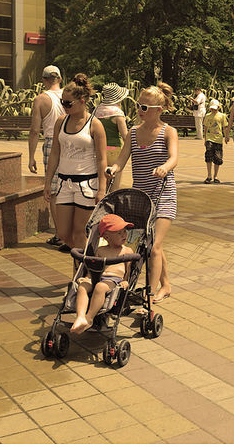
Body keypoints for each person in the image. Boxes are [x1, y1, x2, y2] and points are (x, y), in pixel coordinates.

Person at [107, 82, 178, 304]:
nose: (140, 110)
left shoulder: (169, 132)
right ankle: (166, 285)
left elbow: (174, 157)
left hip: (163, 194)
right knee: (150, 243)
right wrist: (114, 168)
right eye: (139, 105)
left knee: (154, 245)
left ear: (159, 110)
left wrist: (165, 167)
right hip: (141, 198)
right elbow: (122, 158)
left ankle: (150, 293)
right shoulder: (133, 132)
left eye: (145, 107)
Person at [43, 74, 108, 259]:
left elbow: (102, 159)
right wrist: (48, 182)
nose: (65, 106)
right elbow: (54, 152)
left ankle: (84, 271)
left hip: (87, 185)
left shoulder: (95, 124)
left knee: (80, 232)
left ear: (82, 100)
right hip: (64, 183)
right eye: (62, 102)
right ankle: (91, 260)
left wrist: (101, 189)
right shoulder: (60, 122)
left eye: (68, 103)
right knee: (64, 234)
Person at [70, 214, 136, 335]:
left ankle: (89, 319)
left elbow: (129, 270)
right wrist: (87, 278)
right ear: (107, 237)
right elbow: (93, 268)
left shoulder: (127, 251)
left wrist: (126, 280)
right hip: (98, 277)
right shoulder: (101, 250)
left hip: (114, 280)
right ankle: (80, 317)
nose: (124, 235)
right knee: (83, 287)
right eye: (119, 233)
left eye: (125, 231)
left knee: (100, 287)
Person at [29, 65, 66, 247]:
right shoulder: (70, 96)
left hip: (52, 143)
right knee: (69, 187)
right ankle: (72, 231)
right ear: (59, 79)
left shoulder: (40, 99)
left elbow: (35, 130)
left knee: (53, 191)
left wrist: (30, 156)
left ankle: (59, 233)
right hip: (70, 142)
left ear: (43, 80)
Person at [94, 82, 130, 190]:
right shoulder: (118, 113)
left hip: (99, 151)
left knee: (102, 185)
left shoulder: (96, 111)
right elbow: (125, 137)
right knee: (115, 185)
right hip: (114, 151)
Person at [202, 99, 230, 184]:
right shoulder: (207, 116)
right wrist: (205, 139)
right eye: (212, 108)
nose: (213, 110)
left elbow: (225, 127)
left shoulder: (222, 116)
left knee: (218, 158)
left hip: (218, 139)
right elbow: (205, 127)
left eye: (215, 108)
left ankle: (216, 176)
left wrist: (226, 136)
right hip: (209, 139)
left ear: (218, 107)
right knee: (209, 156)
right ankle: (209, 175)